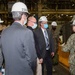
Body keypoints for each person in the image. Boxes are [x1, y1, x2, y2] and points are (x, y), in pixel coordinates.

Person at [1, 2, 37, 75]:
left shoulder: (4, 32)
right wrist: (33, 70)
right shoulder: (27, 32)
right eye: (26, 15)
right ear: (23, 15)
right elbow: (32, 58)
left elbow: (0, 54)